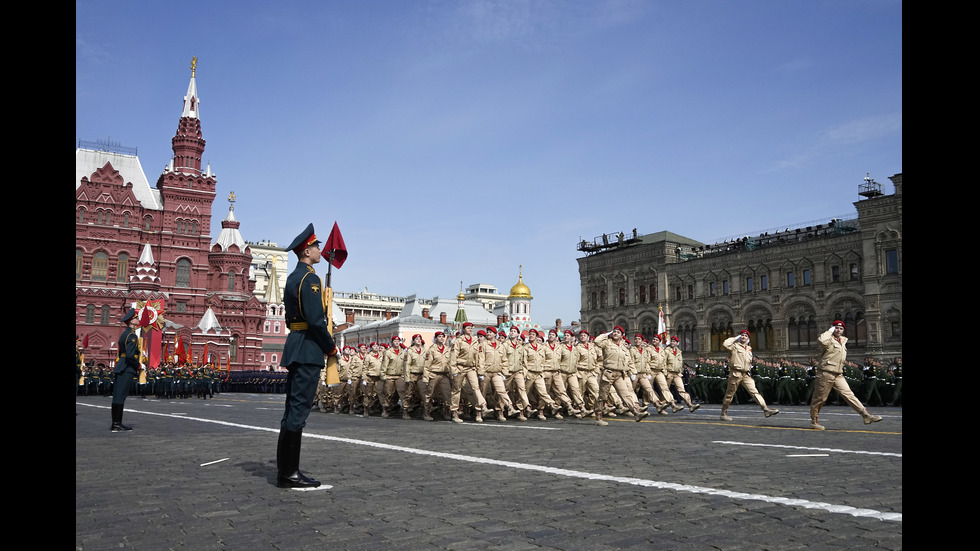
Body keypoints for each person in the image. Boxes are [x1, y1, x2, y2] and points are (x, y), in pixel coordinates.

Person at [276, 223, 339, 489]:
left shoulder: (293, 277)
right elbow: (315, 320)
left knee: (292, 409)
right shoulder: (311, 279)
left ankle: (286, 470)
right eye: (315, 246)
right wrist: (330, 346)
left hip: (296, 344)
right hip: (308, 348)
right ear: (306, 250)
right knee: (298, 411)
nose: (319, 250)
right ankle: (289, 473)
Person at [809, 321, 882, 430]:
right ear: (833, 329)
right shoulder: (828, 339)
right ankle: (814, 421)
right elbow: (821, 340)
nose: (838, 330)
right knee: (820, 398)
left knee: (849, 395)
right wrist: (829, 330)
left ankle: (866, 415)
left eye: (841, 328)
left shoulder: (843, 341)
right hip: (825, 372)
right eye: (836, 328)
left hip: (838, 374)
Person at [592, 326, 650, 426]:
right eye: (614, 332)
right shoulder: (607, 343)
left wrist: (633, 372)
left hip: (619, 374)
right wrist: (606, 334)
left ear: (622, 335)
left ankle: (636, 412)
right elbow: (597, 341)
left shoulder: (624, 347)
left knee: (626, 394)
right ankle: (598, 416)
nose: (615, 333)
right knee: (603, 396)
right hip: (608, 373)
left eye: (618, 332)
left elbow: (628, 361)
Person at [720, 330, 779, 421]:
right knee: (729, 394)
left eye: (746, 336)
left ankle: (766, 409)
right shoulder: (734, 346)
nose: (743, 337)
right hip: (736, 373)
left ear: (748, 338)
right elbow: (725, 344)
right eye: (742, 335)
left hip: (746, 374)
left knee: (754, 392)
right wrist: (736, 338)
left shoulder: (749, 349)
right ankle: (724, 413)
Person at [111, 308, 141, 432]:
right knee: (120, 396)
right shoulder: (132, 336)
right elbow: (129, 355)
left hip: (121, 366)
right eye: (136, 318)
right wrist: (137, 365)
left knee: (117, 395)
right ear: (131, 321)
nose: (138, 319)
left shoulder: (125, 334)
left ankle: (116, 423)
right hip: (127, 367)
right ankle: (117, 424)